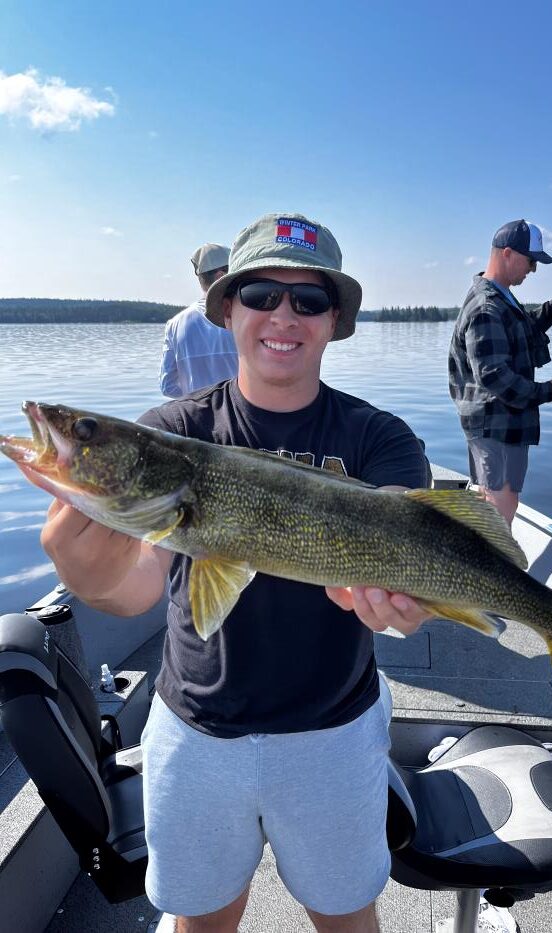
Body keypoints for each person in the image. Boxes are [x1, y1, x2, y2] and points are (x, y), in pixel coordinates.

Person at [37, 212, 433, 933]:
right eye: (260, 295)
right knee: (202, 921)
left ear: (334, 318)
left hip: (335, 732)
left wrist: (415, 599)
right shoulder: (175, 433)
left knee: (347, 917)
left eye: (308, 300)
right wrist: (85, 568)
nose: (283, 315)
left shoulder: (379, 437)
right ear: (226, 308)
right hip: (197, 733)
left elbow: (417, 538)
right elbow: (136, 585)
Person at [448, 219, 552, 526]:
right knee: (501, 504)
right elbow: (494, 376)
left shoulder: (501, 297)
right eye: (531, 261)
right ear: (508, 253)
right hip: (496, 425)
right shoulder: (486, 307)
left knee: (501, 500)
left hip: (505, 422)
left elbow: (526, 328)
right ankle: (493, 569)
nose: (533, 270)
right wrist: (549, 391)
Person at [159, 242, 239, 397]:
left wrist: (197, 400)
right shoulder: (244, 318)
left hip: (195, 416)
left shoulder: (174, 324)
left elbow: (167, 386)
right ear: (221, 276)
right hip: (240, 416)